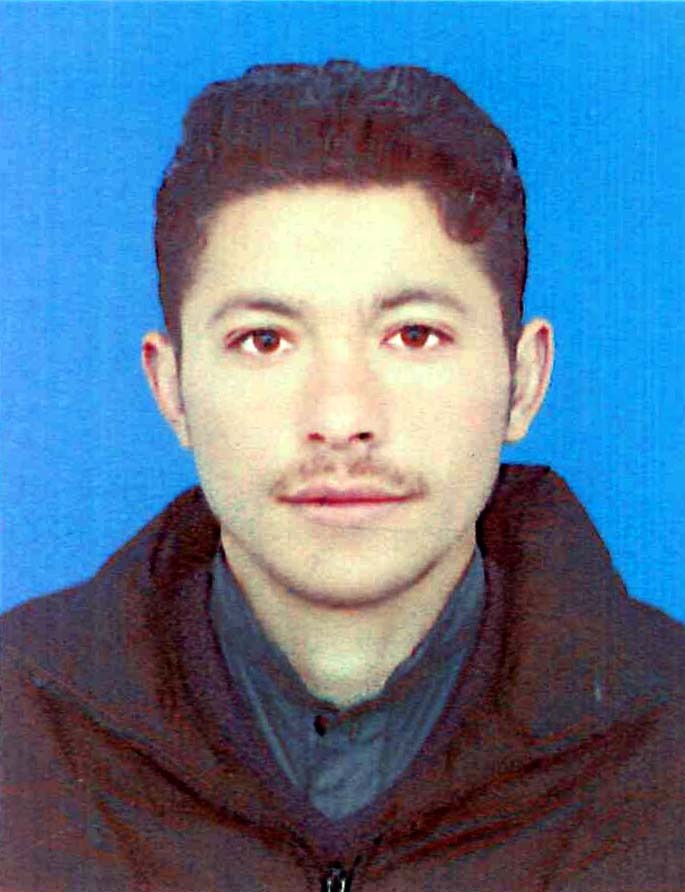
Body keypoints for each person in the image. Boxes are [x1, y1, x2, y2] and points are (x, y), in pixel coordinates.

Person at [1, 60, 683, 892]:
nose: (340, 417)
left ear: (523, 380)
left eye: (414, 336)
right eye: (264, 340)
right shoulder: (19, 723)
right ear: (171, 389)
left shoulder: (669, 745)